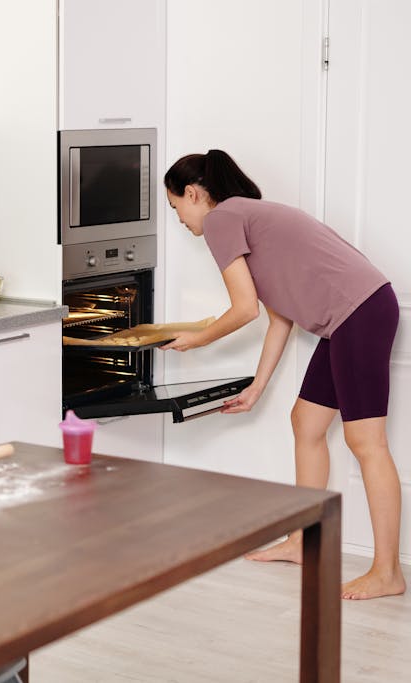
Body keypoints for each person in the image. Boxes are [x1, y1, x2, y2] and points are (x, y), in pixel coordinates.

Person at [162, 149, 404, 600]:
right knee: (306, 423)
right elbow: (278, 318)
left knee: (366, 442)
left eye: (177, 207)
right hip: (350, 316)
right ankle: (302, 540)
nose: (180, 220)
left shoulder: (222, 219)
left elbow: (243, 309)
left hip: (360, 312)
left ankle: (387, 571)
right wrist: (257, 388)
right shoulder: (249, 219)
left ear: (193, 193)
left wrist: (197, 339)